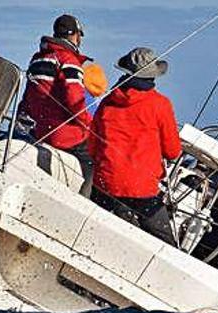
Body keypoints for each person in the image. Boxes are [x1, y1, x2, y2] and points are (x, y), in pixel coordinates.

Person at [89, 47, 182, 242]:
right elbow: (173, 152)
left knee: (96, 233)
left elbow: (92, 147)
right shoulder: (160, 104)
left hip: (105, 185)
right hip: (142, 189)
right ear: (153, 76)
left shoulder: (107, 103)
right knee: (167, 244)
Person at [17, 14, 95, 195]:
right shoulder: (69, 61)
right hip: (64, 135)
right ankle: (84, 205)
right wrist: (91, 125)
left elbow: (28, 98)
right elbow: (75, 102)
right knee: (95, 159)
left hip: (42, 131)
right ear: (75, 36)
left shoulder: (38, 59)